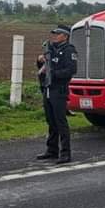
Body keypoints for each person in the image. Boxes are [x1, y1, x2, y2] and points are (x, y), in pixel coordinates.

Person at [37, 26, 78, 163]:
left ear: (65, 36)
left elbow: (71, 70)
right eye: (54, 34)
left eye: (58, 34)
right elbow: (43, 68)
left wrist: (53, 74)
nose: (55, 36)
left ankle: (66, 153)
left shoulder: (69, 50)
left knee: (60, 122)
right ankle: (52, 150)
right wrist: (41, 61)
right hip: (48, 88)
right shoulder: (51, 49)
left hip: (59, 89)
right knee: (51, 120)